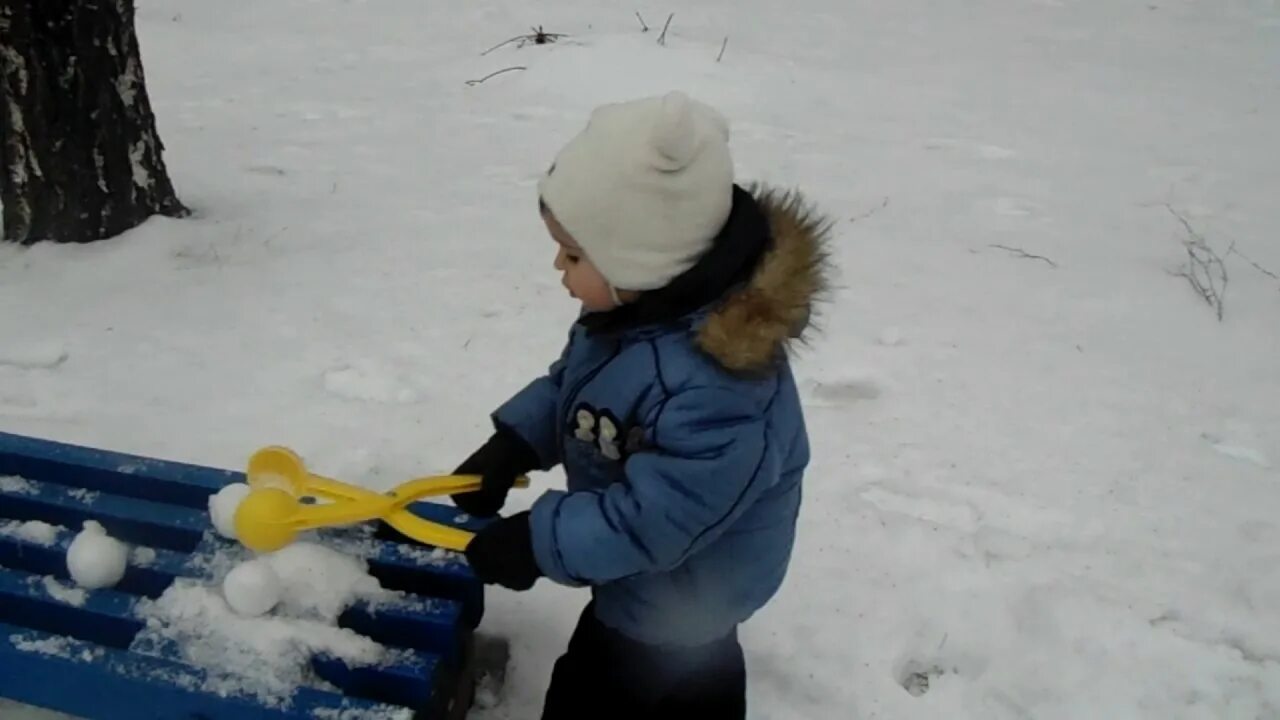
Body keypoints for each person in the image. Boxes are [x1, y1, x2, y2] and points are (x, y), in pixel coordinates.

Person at [452, 90, 832, 719]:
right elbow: (578, 387)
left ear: (641, 261)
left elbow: (655, 522)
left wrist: (539, 542)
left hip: (679, 590)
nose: (558, 266)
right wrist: (516, 441)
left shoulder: (721, 388)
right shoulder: (640, 309)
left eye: (574, 254)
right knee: (696, 680)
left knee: (606, 690)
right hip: (667, 582)